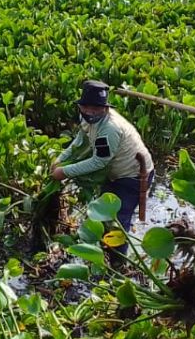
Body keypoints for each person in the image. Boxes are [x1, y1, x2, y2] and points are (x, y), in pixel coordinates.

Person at [52, 80, 154, 256]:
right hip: (114, 174)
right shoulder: (86, 117)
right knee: (104, 215)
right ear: (81, 106)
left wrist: (64, 171)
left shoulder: (110, 128)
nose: (90, 112)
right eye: (86, 107)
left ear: (105, 108)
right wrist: (61, 159)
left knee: (118, 222)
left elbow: (99, 162)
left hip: (133, 176)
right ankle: (105, 252)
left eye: (96, 108)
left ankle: (118, 263)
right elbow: (80, 139)